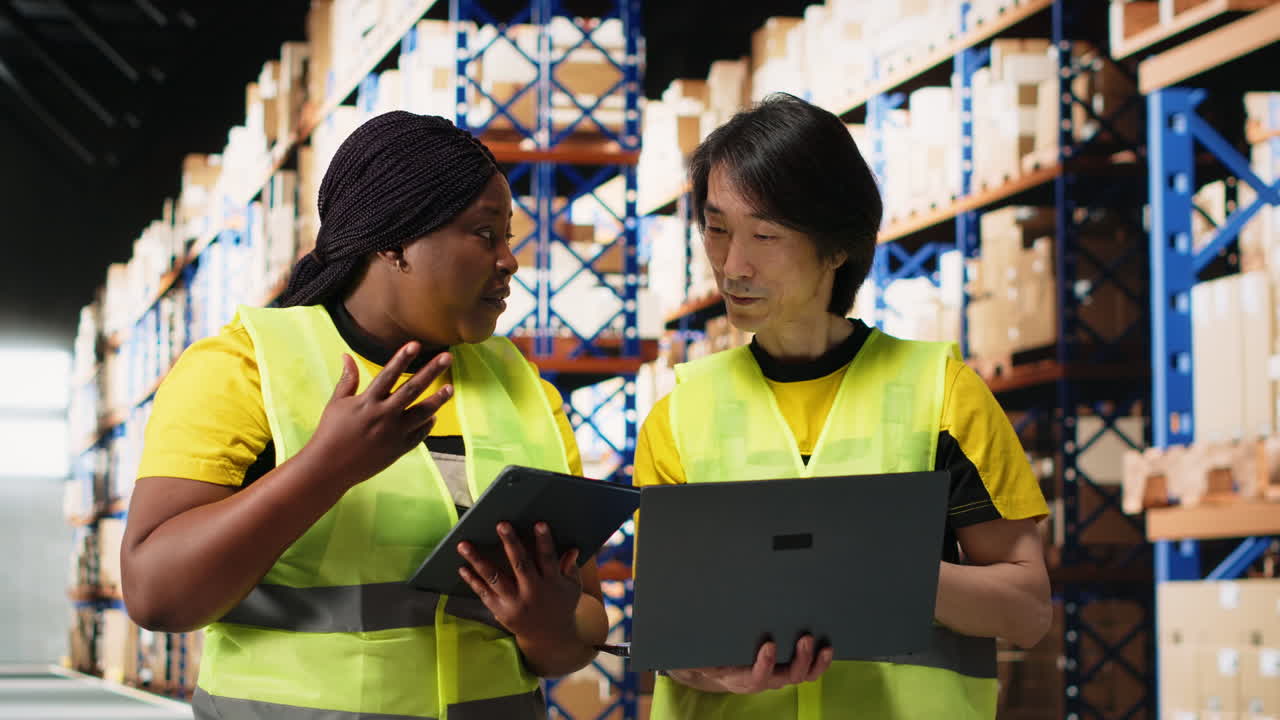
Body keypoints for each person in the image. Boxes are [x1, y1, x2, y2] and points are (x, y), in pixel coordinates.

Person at [120, 111, 608, 720]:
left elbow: (581, 628)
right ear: (395, 241)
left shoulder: (523, 387)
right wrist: (324, 469)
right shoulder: (244, 366)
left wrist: (545, 625)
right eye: (485, 234)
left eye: (509, 236)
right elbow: (156, 597)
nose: (509, 261)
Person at [633, 93, 1053, 719]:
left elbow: (1027, 609)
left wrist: (884, 572)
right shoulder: (678, 417)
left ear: (837, 248)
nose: (732, 265)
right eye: (717, 229)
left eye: (765, 235)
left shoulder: (942, 393)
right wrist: (721, 676)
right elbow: (667, 635)